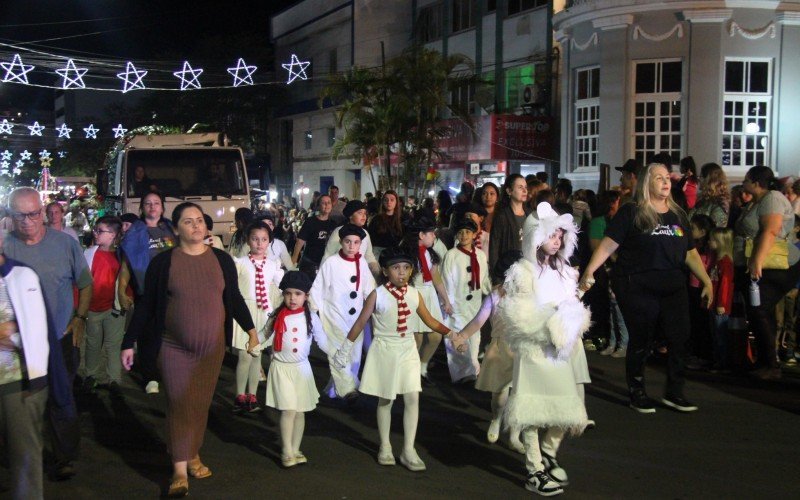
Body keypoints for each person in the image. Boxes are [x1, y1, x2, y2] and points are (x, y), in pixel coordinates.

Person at [121, 202, 259, 498]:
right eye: (188, 221)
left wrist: (251, 331)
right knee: (180, 404)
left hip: (211, 350)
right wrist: (127, 342)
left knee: (199, 405)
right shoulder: (164, 263)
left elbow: (232, 298)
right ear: (175, 229)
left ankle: (192, 452)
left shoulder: (222, 260)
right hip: (173, 348)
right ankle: (179, 469)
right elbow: (146, 306)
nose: (196, 226)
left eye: (199, 221)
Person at [579, 163, 713, 413]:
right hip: (637, 284)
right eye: (658, 177)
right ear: (646, 183)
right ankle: (637, 391)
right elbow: (609, 245)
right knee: (642, 338)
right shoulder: (632, 212)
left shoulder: (678, 214)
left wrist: (706, 281)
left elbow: (690, 252)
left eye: (667, 178)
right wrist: (589, 271)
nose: (665, 182)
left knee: (680, 337)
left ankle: (674, 392)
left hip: (673, 285)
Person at [484, 202, 590, 496]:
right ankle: (534, 470)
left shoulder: (565, 272)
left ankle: (547, 452)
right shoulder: (523, 271)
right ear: (535, 236)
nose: (556, 241)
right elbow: (519, 314)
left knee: (565, 409)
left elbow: (575, 307)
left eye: (560, 236)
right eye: (551, 235)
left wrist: (568, 323)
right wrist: (553, 324)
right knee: (529, 411)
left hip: (560, 352)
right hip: (533, 352)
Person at [332, 247, 454, 472]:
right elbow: (360, 323)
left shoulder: (414, 294)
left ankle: (408, 450)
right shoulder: (377, 294)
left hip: (407, 348)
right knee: (386, 400)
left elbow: (429, 321)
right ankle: (385, 446)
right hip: (384, 348)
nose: (402, 273)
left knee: (412, 398)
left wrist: (452, 334)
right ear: (386, 272)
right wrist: (344, 350)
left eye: (406, 268)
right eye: (396, 268)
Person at [4, 187, 91, 481]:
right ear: (10, 217)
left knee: (61, 399)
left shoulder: (65, 245)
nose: (27, 221)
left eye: (33, 214)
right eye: (20, 215)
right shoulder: (6, 248)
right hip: (17, 345)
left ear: (42, 213)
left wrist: (80, 318)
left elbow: (85, 283)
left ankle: (65, 457)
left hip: (59, 338)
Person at [0, 228, 74, 499]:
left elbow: (40, 333)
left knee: (25, 462)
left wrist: (13, 334)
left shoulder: (23, 276)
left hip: (21, 384)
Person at [451, 250, 525, 453]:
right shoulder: (495, 295)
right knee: (499, 395)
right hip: (501, 348)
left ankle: (514, 435)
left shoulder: (530, 295)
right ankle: (496, 418)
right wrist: (461, 336)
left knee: (521, 395)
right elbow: (478, 321)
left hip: (524, 349)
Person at [733, 166, 800, 380]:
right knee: (761, 311)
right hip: (761, 266)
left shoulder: (772, 198)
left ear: (755, 182)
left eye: (746, 179)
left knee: (759, 309)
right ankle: (765, 361)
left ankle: (771, 364)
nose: (743, 183)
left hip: (775, 267)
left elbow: (770, 230)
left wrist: (756, 261)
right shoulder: (757, 201)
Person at [261, 271, 328, 467]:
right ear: (283, 294)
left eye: (298, 294)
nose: (292, 298)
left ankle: (296, 448)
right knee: (289, 410)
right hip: (282, 368)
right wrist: (252, 343)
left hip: (302, 369)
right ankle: (286, 450)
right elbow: (264, 333)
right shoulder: (277, 315)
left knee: (300, 411)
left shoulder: (311, 317)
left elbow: (321, 339)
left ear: (306, 296)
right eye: (288, 293)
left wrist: (336, 352)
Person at [117, 191, 177, 395]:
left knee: (171, 335)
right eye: (148, 203)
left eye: (156, 203)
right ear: (141, 207)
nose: (152, 207)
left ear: (162, 207)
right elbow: (126, 265)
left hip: (172, 291)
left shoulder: (171, 228)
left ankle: (169, 373)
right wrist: (122, 288)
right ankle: (150, 375)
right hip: (147, 290)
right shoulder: (135, 231)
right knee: (147, 335)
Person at [310, 224, 376, 398]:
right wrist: (312, 310)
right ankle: (348, 390)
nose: (352, 246)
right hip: (335, 314)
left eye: (356, 242)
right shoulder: (331, 262)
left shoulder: (361, 262)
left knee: (354, 353)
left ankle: (337, 388)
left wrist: (375, 304)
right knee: (338, 352)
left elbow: (369, 288)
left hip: (357, 318)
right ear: (341, 242)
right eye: (348, 242)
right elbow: (319, 287)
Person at [231, 221, 284, 414]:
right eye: (255, 239)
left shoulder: (273, 265)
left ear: (269, 242)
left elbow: (282, 284)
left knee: (256, 357)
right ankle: (239, 395)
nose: (259, 243)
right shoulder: (240, 263)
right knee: (244, 356)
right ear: (248, 240)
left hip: (263, 313)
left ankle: (252, 395)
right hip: (245, 312)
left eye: (263, 240)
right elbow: (233, 288)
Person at [400, 215, 453, 382]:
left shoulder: (431, 254)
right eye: (431, 233)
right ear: (421, 235)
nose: (434, 236)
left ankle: (422, 366)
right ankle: (409, 372)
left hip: (429, 295)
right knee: (416, 338)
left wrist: (445, 299)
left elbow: (436, 278)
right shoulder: (407, 254)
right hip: (413, 296)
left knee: (436, 336)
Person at [441, 218, 491, 383]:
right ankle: (462, 373)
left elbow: (483, 279)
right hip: (458, 303)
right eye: (461, 232)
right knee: (456, 333)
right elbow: (446, 279)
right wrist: (448, 301)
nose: (464, 236)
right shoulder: (451, 255)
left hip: (475, 303)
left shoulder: (480, 255)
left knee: (474, 336)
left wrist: (490, 292)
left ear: (474, 234)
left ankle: (473, 368)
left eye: (468, 232)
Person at [82, 216, 126, 396]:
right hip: (92, 308)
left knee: (113, 346)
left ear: (113, 235)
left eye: (100, 231)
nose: (96, 233)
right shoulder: (89, 253)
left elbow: (127, 281)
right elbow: (82, 281)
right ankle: (91, 375)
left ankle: (114, 379)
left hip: (114, 308)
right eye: (96, 230)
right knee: (92, 344)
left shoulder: (122, 255)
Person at [489, 174, 530, 282]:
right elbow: (494, 248)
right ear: (509, 191)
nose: (524, 191)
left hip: (527, 271)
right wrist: (496, 278)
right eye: (520, 187)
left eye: (525, 187)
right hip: (508, 271)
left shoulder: (529, 215)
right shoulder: (502, 216)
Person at [321, 199, 379, 275]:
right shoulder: (339, 231)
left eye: (365, 213)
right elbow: (328, 255)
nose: (363, 216)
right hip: (340, 274)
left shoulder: (365, 234)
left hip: (359, 275)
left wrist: (376, 270)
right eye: (360, 213)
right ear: (350, 215)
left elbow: (369, 256)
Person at [292, 194, 337, 280]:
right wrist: (293, 261)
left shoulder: (333, 224)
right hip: (309, 262)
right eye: (324, 203)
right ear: (318, 206)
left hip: (326, 263)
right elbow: (300, 242)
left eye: (329, 203)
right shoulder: (310, 221)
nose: (327, 205)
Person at [708, 227, 734, 371]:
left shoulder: (725, 262)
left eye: (712, 239)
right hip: (714, 303)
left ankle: (722, 363)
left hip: (720, 305)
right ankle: (717, 360)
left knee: (720, 335)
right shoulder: (717, 260)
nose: (709, 242)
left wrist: (721, 303)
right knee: (715, 335)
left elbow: (725, 284)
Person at [690, 163, 730, 228]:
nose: (699, 179)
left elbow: (717, 228)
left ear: (709, 180)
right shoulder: (704, 199)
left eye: (701, 176)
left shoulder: (720, 203)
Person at [367, 190, 404, 258]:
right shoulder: (376, 219)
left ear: (396, 202)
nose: (389, 202)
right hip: (378, 252)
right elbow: (370, 238)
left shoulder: (403, 218)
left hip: (396, 253)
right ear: (382, 202)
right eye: (386, 200)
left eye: (392, 200)